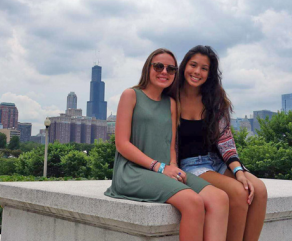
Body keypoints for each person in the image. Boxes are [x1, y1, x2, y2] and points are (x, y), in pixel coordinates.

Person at [105, 48, 229, 241]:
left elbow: (171, 146)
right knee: (193, 201)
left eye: (171, 69)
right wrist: (159, 167)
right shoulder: (131, 95)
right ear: (148, 68)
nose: (164, 72)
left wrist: (172, 166)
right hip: (132, 172)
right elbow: (122, 144)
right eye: (159, 66)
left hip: (164, 170)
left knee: (219, 198)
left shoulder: (171, 103)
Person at [177, 45, 268, 241]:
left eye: (204, 68)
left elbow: (225, 139)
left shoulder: (214, 98)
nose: (197, 72)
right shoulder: (171, 97)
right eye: (193, 65)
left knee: (259, 190)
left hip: (217, 161)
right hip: (191, 165)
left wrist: (238, 170)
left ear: (209, 73)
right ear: (184, 65)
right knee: (238, 192)